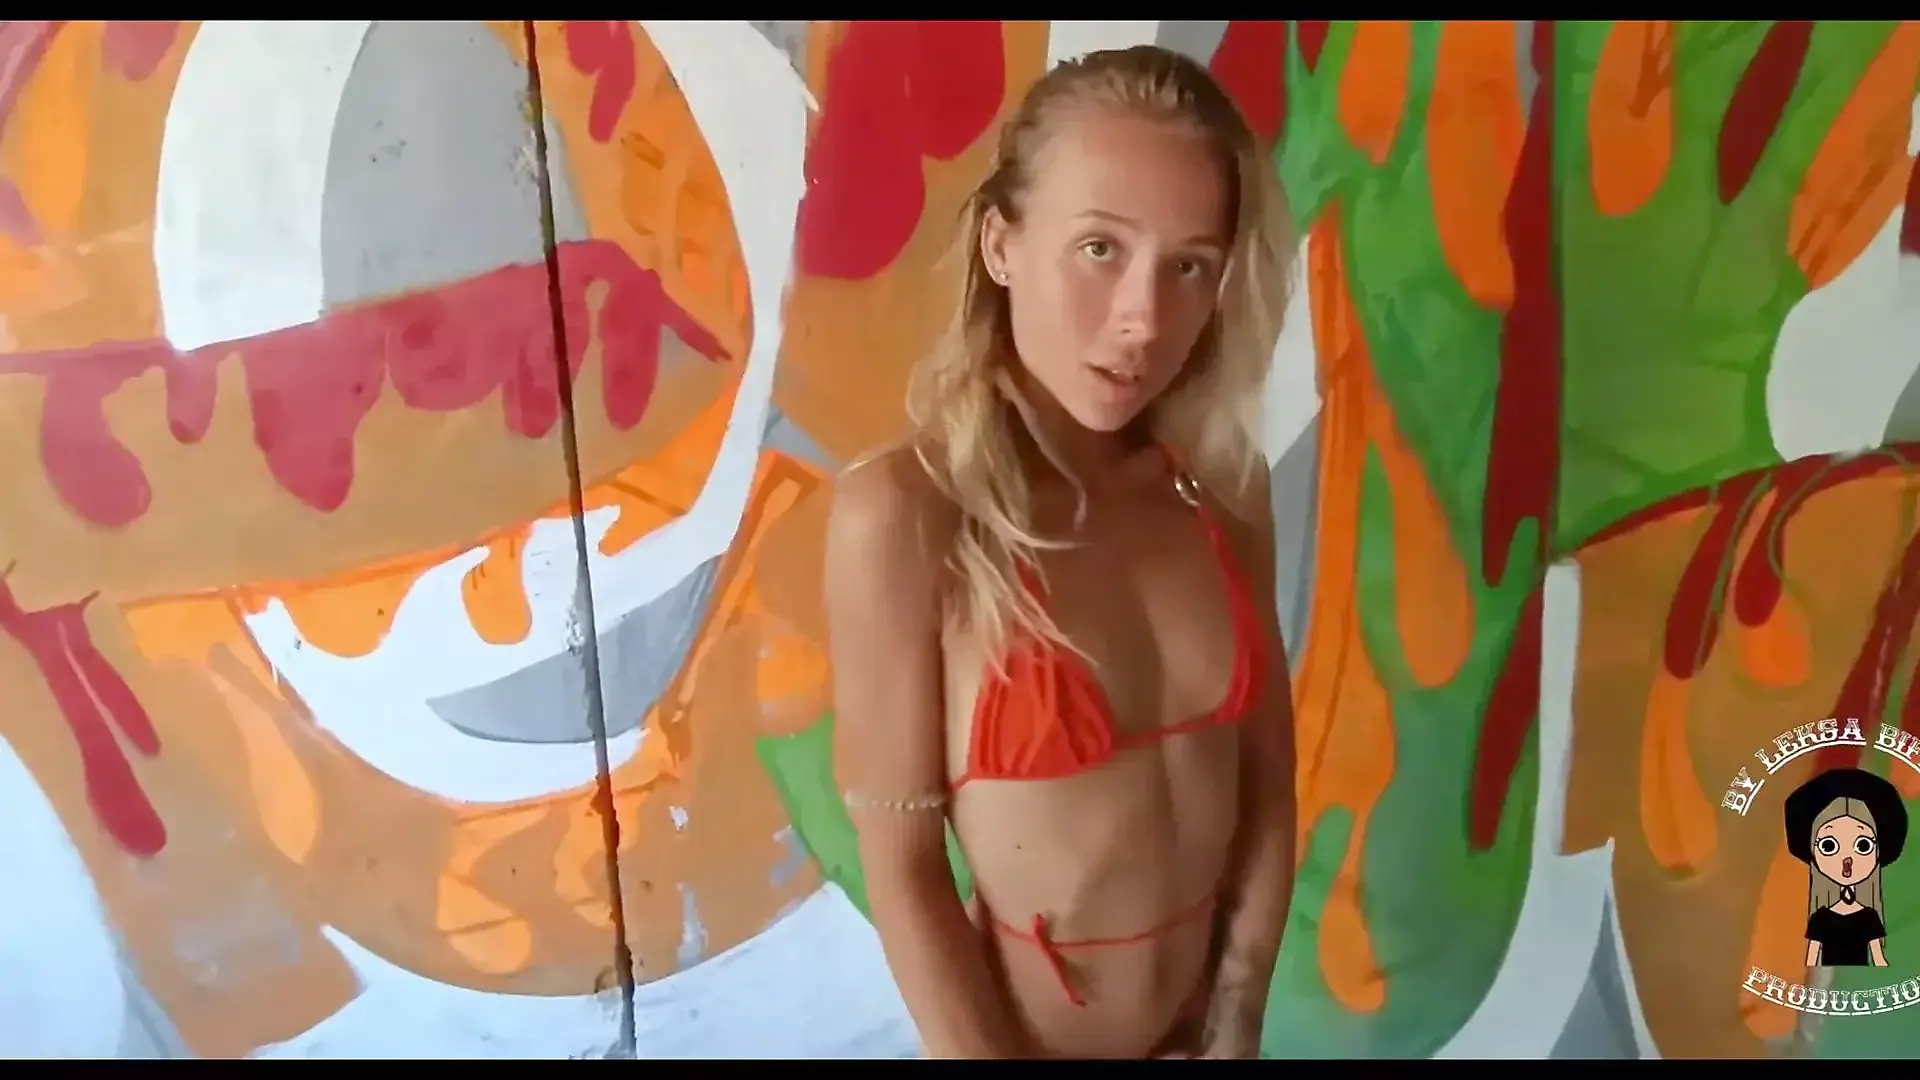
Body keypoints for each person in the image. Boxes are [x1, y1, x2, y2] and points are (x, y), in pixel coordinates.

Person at [823, 44, 1297, 1059]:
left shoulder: (1223, 495)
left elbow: (1268, 789)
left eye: (1189, 266)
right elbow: (904, 873)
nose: (1142, 319)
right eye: (1099, 249)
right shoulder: (907, 520)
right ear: (1002, 244)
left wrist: (1235, 1029)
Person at [1784, 767, 1908, 968]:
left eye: (1863, 845)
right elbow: (1812, 960)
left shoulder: (1869, 917)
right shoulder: (1820, 919)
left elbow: (1879, 960)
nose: (1847, 860)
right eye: (1829, 846)